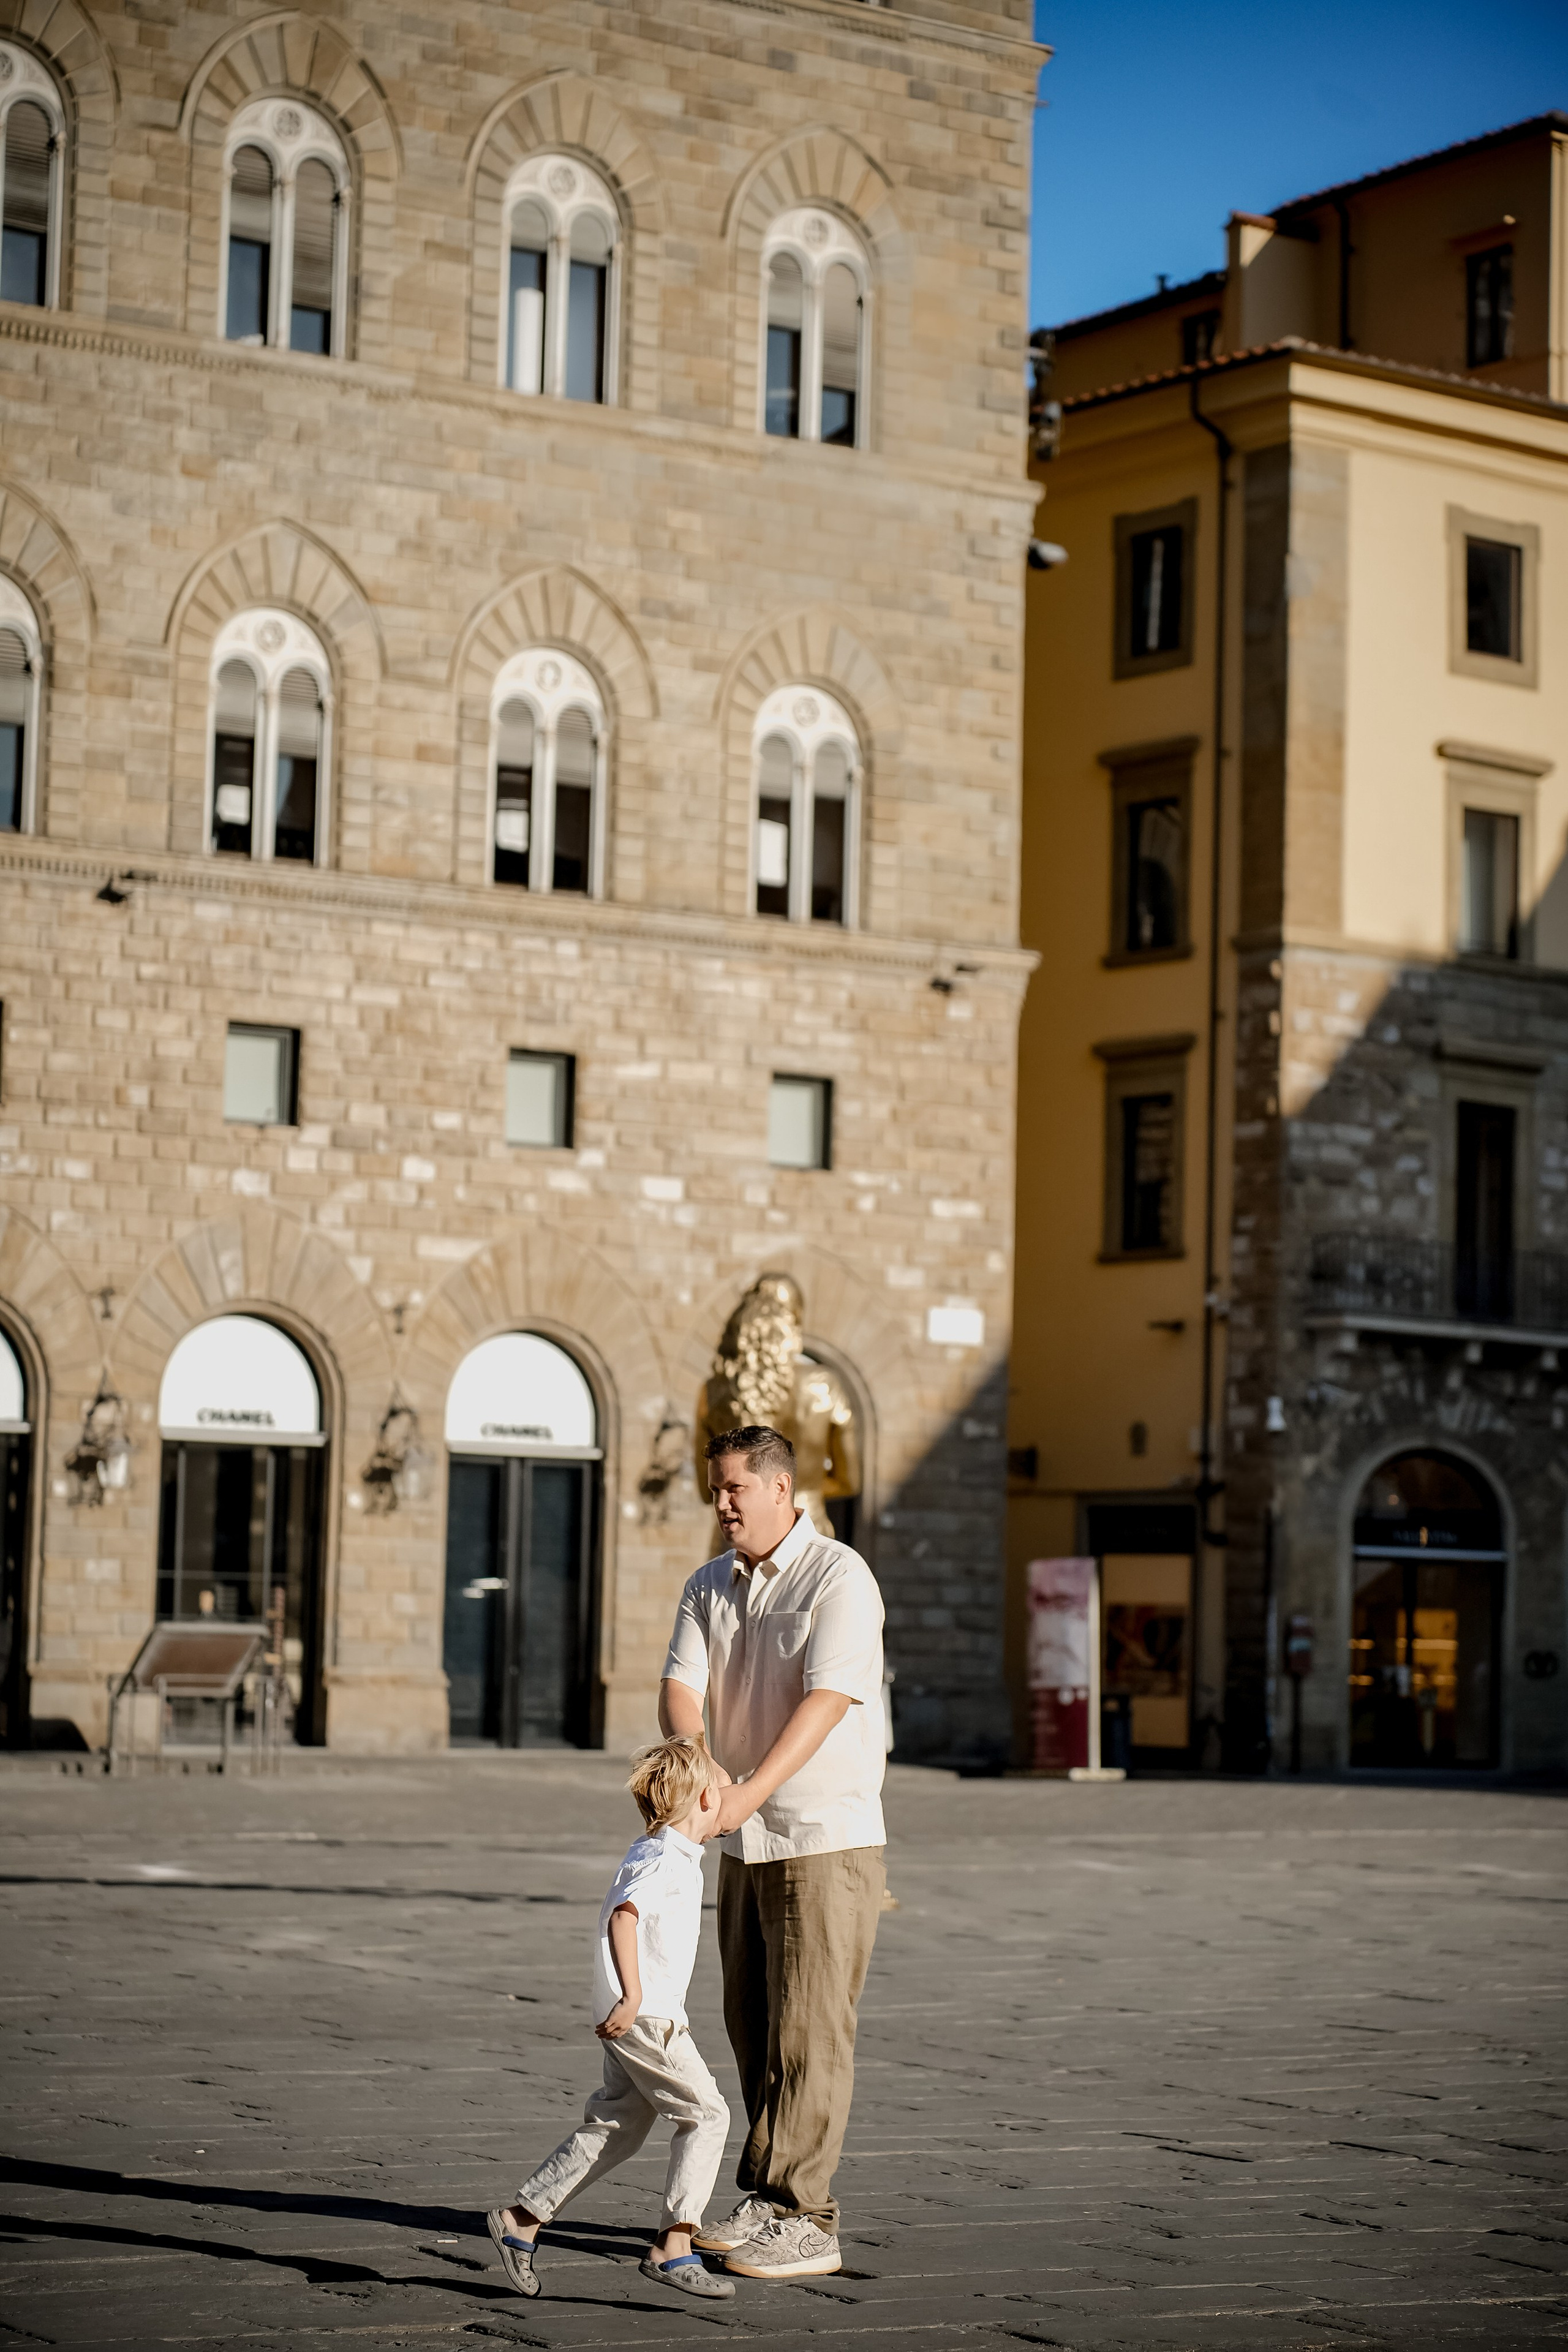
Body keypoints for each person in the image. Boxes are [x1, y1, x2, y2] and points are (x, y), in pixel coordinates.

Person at [660, 1422, 886, 2283]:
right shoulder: (709, 1584)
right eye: (716, 1490)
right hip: (742, 1840)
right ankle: (766, 2203)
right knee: (752, 2024)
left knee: (812, 2030)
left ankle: (807, 2217)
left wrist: (748, 1789)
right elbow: (680, 1687)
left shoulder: (840, 1578)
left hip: (825, 1838)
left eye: (733, 1490)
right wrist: (707, 1763)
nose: (720, 1505)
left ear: (781, 1489)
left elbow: (828, 1700)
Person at [486, 1737, 736, 2302]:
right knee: (708, 2115)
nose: (728, 1802)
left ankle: (521, 2220)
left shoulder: (661, 1851)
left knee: (618, 2127)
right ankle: (675, 2245)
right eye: (722, 1793)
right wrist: (634, 1993)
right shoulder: (664, 1859)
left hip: (635, 2015)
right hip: (648, 2019)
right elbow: (625, 1917)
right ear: (701, 1800)